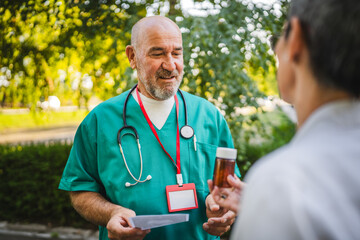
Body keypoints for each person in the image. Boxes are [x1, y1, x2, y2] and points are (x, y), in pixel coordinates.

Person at [59, 16, 240, 240]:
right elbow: (80, 190)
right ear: (132, 57)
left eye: (176, 53)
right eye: (157, 53)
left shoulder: (209, 115)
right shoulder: (100, 120)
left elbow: (228, 186)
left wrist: (225, 209)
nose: (170, 64)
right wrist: (111, 213)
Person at [209, 0, 360, 239]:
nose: (276, 48)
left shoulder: (285, 184)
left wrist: (268, 199)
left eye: (280, 36)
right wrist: (257, 205)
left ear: (297, 40)